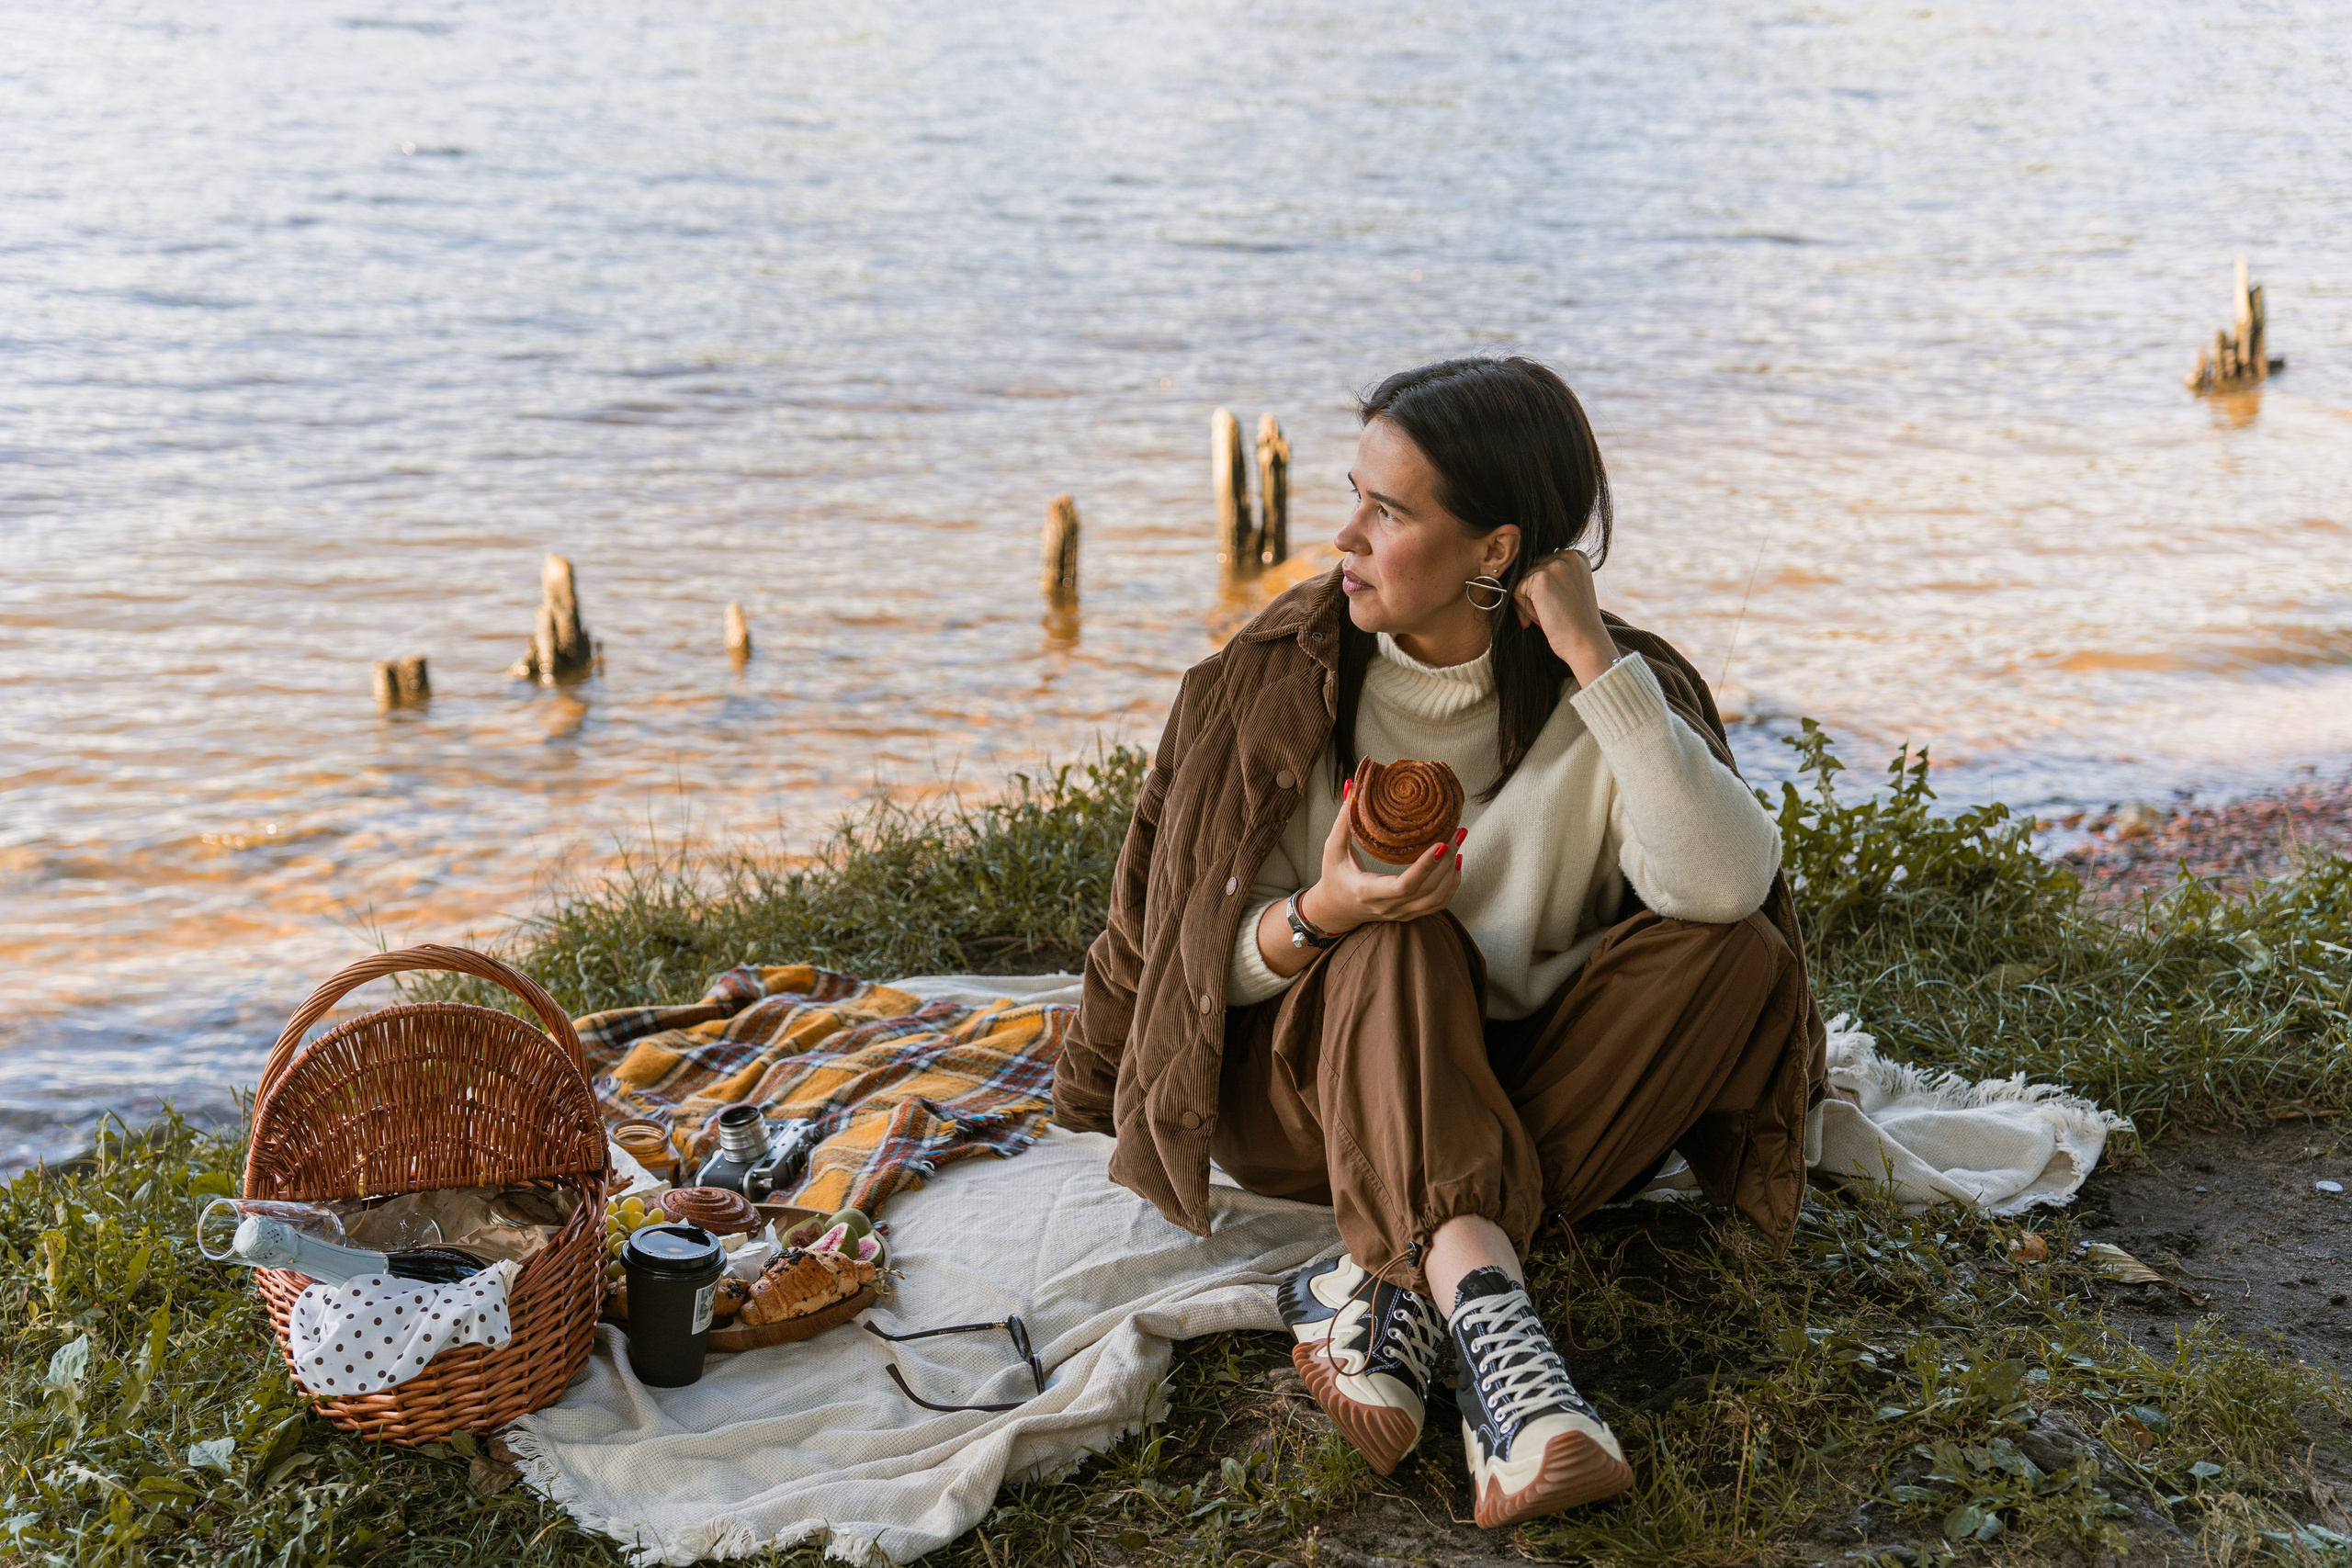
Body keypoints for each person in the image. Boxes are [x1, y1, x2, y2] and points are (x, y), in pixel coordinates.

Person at [1054, 356, 1825, 1529]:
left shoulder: (1610, 690)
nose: (1345, 536)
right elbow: (1178, 968)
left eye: (1388, 510)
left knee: (1737, 958)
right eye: (1354, 495)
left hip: (1510, 1092)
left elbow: (1725, 887)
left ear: (1494, 551)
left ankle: (1377, 1276)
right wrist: (1322, 915)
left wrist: (1596, 667)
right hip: (1304, 1098)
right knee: (1401, 943)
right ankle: (1510, 1361)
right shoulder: (1263, 688)